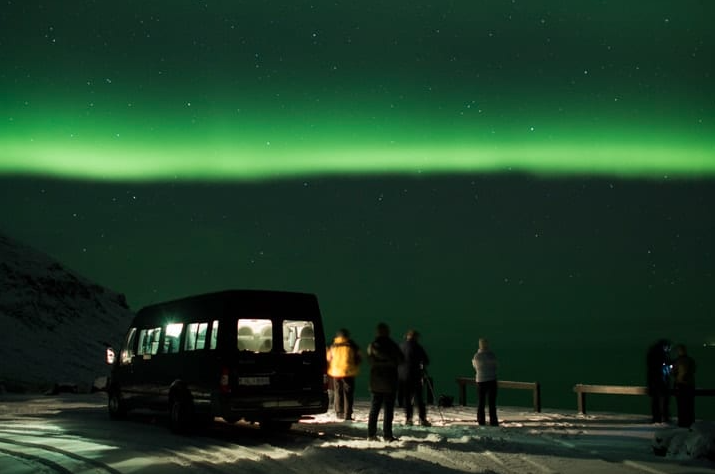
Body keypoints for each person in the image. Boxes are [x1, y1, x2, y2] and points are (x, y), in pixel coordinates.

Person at [367, 322, 404, 442]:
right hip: (389, 381)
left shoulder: (372, 345)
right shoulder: (393, 345)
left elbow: (369, 360)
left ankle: (371, 434)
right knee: (388, 410)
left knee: (374, 409)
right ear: (387, 332)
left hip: (376, 382)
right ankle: (387, 435)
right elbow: (401, 359)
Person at [326, 328, 361, 421]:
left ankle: (339, 413)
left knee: (338, 392)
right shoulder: (352, 345)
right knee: (348, 393)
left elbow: (328, 358)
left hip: (336, 373)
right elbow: (359, 357)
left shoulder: (333, 345)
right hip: (348, 372)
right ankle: (347, 414)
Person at [398, 329, 431, 426]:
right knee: (419, 398)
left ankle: (408, 418)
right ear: (415, 337)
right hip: (415, 376)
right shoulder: (418, 347)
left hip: (403, 376)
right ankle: (422, 419)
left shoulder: (401, 346)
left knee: (407, 398)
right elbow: (426, 360)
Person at [472, 338, 498, 426]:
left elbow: (475, 366)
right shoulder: (492, 355)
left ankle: (481, 420)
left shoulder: (477, 356)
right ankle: (493, 421)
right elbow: (496, 366)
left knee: (481, 402)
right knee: (492, 403)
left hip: (481, 381)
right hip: (492, 380)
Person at [646, 339, 672, 423]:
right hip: (660, 381)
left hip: (654, 381)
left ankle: (657, 418)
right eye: (668, 347)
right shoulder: (661, 355)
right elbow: (664, 366)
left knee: (656, 401)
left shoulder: (653, 354)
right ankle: (663, 418)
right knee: (662, 401)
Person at [672, 344, 696, 427]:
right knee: (690, 405)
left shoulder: (677, 361)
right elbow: (693, 370)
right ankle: (691, 422)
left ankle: (682, 422)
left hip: (680, 385)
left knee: (681, 406)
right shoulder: (691, 360)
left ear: (679, 351)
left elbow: (673, 372)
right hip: (690, 386)